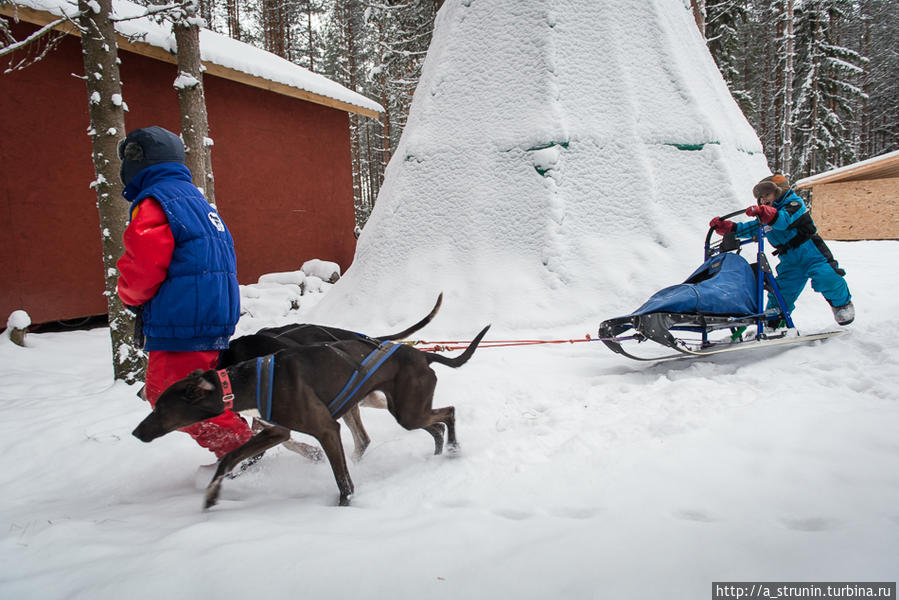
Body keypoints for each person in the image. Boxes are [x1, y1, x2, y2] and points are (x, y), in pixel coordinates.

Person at [116, 126, 254, 458]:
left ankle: (242, 450)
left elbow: (144, 266)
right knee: (203, 391)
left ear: (139, 161)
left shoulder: (155, 202)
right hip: (209, 313)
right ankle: (243, 447)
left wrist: (128, 295)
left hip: (183, 317)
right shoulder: (194, 200)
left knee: (170, 395)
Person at [709, 173, 854, 326]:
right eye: (760, 197)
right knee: (781, 292)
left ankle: (842, 306)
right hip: (789, 261)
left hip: (811, 253)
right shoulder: (765, 216)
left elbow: (784, 220)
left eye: (767, 194)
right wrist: (730, 228)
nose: (763, 199)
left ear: (779, 191)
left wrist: (765, 213)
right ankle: (773, 324)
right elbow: (751, 228)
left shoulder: (794, 204)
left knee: (826, 277)